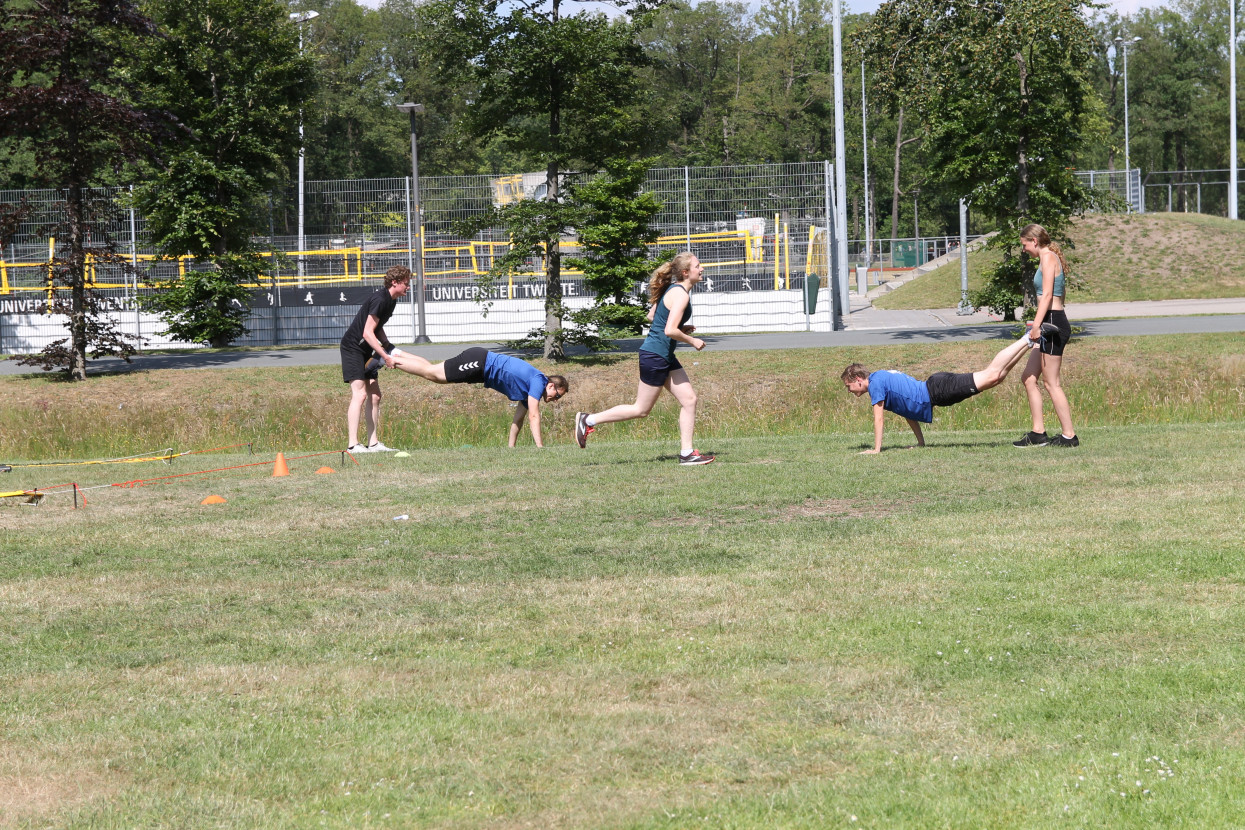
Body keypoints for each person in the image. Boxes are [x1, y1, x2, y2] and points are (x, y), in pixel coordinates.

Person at [574, 252, 714, 465]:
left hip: (662, 354)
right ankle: (588, 419)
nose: (701, 269)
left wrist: (680, 327)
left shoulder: (673, 290)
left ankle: (687, 454)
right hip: (656, 355)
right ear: (686, 272)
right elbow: (668, 330)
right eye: (698, 265)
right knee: (640, 409)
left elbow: (652, 316)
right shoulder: (681, 294)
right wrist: (691, 340)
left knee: (689, 400)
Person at [841, 333, 1036, 454]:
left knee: (991, 375)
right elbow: (908, 412)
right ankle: (1029, 343)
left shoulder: (875, 384)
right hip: (936, 387)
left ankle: (1027, 338)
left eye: (849, 386)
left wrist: (876, 450)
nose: (850, 391)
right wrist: (920, 443)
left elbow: (878, 419)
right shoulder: (880, 378)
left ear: (858, 379)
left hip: (938, 390)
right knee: (996, 378)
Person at [388, 348, 568, 448]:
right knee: (432, 374)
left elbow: (518, 420)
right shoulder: (538, 381)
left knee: (433, 372)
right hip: (480, 362)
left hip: (481, 370)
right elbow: (534, 416)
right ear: (551, 385)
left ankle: (395, 353)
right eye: (557, 395)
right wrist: (540, 448)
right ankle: (388, 358)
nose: (555, 400)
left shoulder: (527, 390)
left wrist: (511, 448)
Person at [1014, 223, 1079, 448]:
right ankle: (1038, 433)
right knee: (1029, 378)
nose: (1024, 250)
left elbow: (1049, 294)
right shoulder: (1045, 258)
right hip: (1047, 322)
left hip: (1052, 324)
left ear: (1034, 241)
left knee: (1052, 383)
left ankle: (1069, 436)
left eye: (1024, 245)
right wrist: (1036, 322)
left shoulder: (1048, 257)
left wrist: (1037, 325)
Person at [340, 265, 410, 453]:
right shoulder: (380, 299)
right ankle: (353, 445)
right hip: (353, 347)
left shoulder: (391, 301)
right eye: (406, 283)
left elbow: (377, 327)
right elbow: (367, 333)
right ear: (394, 282)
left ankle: (373, 443)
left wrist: (387, 344)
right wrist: (386, 356)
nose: (408, 287)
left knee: (375, 395)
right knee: (360, 394)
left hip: (366, 348)